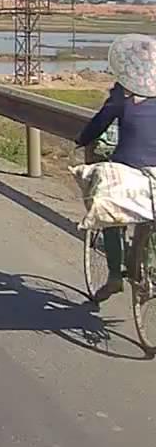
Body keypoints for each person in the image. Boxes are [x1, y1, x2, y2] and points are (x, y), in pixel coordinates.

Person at [77, 33, 156, 300]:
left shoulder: (123, 95)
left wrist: (82, 141)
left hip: (130, 167)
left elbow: (99, 124)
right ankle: (146, 268)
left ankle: (114, 276)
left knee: (110, 212)